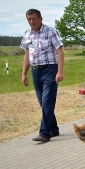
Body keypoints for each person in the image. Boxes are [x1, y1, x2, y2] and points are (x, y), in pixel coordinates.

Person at [20, 9, 64, 143]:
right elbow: (27, 55)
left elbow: (60, 52)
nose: (31, 22)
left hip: (50, 69)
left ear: (40, 19)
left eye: (34, 19)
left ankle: (44, 133)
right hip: (35, 71)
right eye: (29, 19)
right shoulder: (27, 34)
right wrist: (24, 73)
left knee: (47, 102)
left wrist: (60, 71)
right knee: (43, 103)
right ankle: (53, 129)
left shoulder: (51, 32)